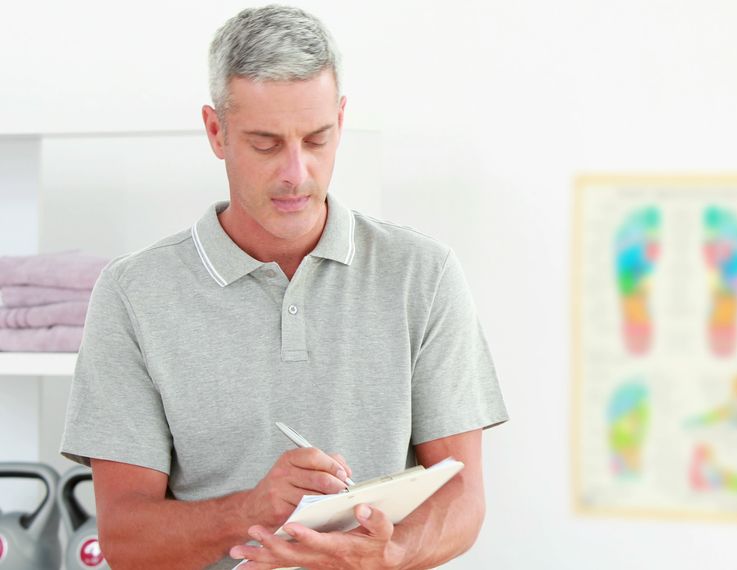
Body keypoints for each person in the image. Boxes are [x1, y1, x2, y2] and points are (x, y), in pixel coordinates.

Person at [59, 5, 508, 569]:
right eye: (266, 144)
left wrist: (387, 555)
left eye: (317, 140)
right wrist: (252, 508)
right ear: (216, 132)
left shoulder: (424, 273)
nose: (297, 173)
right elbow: (124, 539)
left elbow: (462, 498)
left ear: (341, 122)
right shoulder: (132, 294)